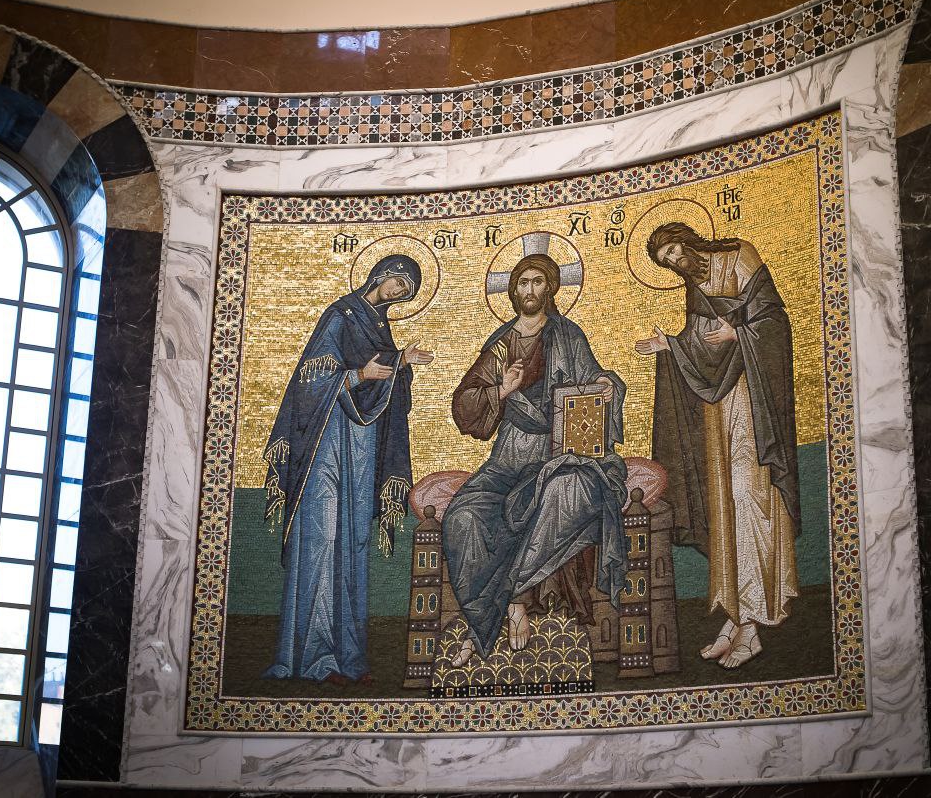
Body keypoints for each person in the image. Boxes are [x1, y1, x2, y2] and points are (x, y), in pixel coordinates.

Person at [444, 253, 628, 667]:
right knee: (463, 516)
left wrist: (605, 385)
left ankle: (511, 600)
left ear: (550, 288)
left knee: (565, 493)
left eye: (538, 282)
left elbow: (596, 380)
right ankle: (499, 612)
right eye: (523, 282)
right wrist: (502, 391)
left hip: (563, 453)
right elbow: (464, 405)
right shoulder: (500, 345)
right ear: (513, 290)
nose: (530, 290)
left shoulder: (568, 335)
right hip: (509, 457)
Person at [261, 254, 435, 684]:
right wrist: (358, 374)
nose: (399, 294)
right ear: (382, 274)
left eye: (407, 293)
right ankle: (312, 658)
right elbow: (309, 380)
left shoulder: (380, 327)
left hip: (362, 445)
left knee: (354, 542)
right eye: (399, 284)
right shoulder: (340, 315)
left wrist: (401, 363)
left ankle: (349, 658)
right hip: (326, 441)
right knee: (322, 538)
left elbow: (388, 386)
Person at [635, 222, 800, 669]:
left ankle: (754, 621)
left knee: (749, 499)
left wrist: (739, 333)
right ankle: (734, 614)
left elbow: (775, 322)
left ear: (687, 240)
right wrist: (670, 346)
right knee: (724, 506)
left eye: (674, 251)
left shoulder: (738, 256)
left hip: (754, 402)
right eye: (668, 262)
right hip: (718, 407)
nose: (676, 262)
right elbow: (699, 342)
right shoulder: (694, 287)